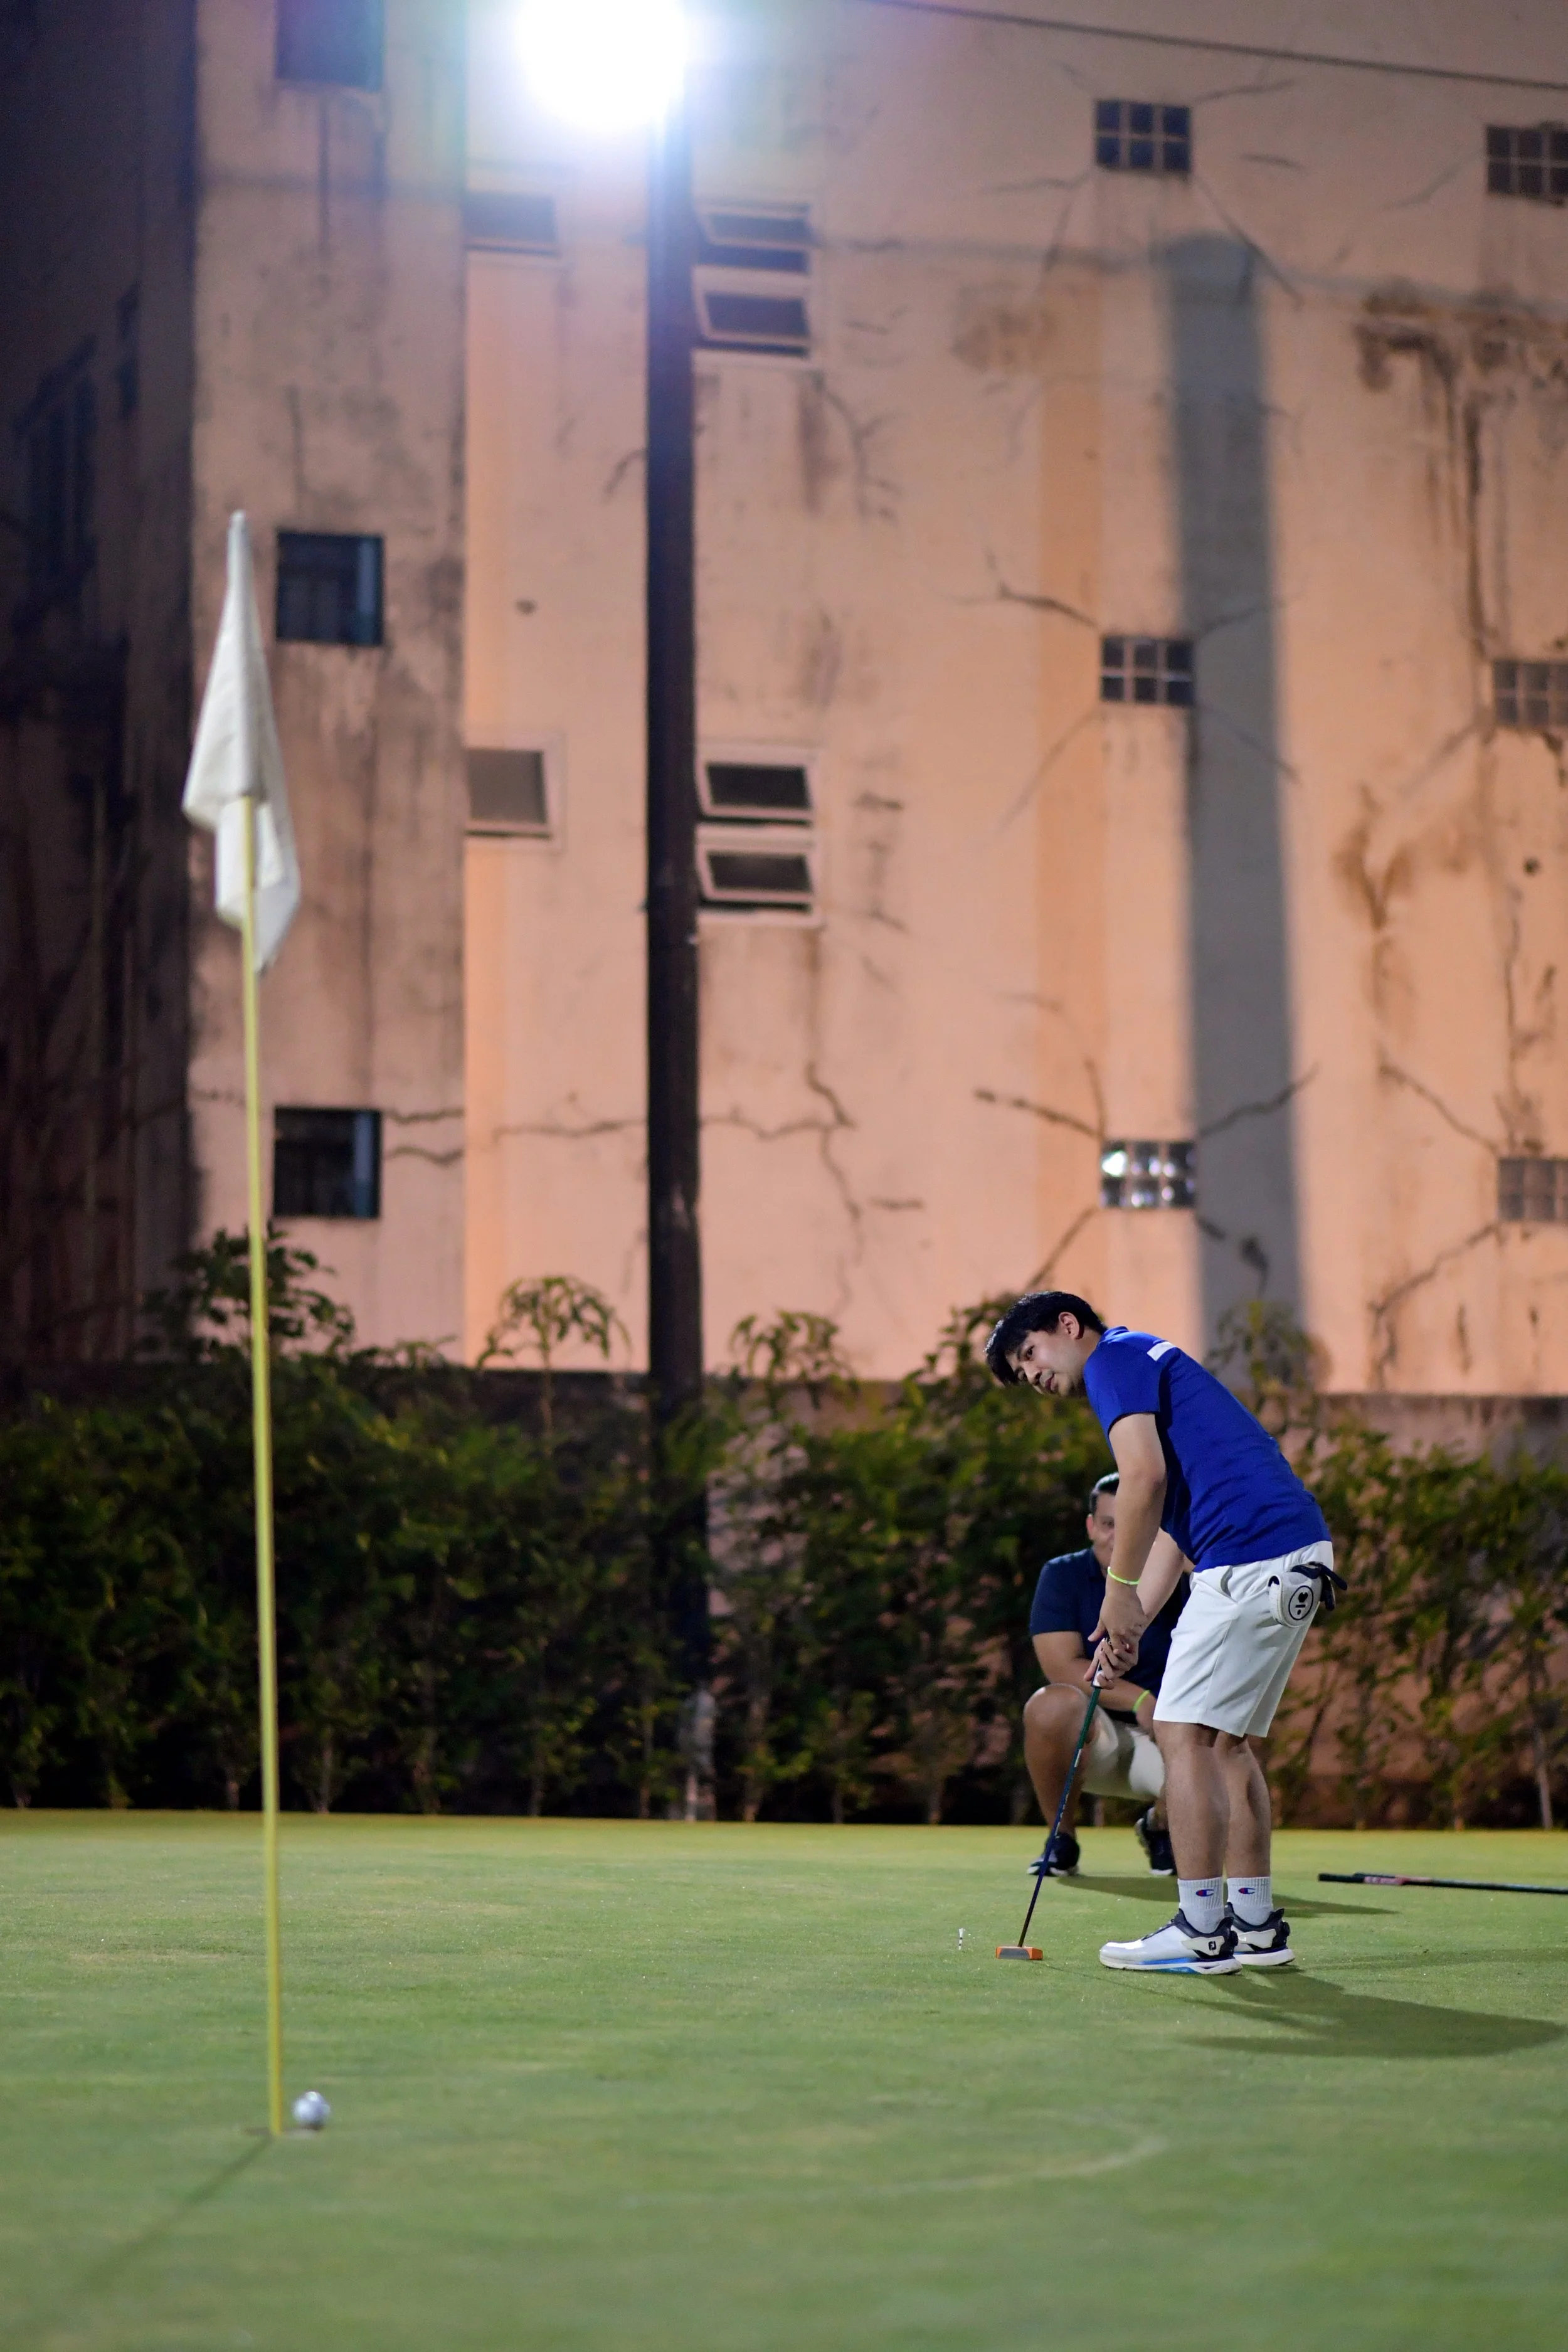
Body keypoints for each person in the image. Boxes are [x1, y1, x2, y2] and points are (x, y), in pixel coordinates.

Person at [987, 1290, 1343, 1976]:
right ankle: (1257, 1927)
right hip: (1293, 1556)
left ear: (1068, 1326)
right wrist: (1129, 1623)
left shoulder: (1110, 1361)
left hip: (1246, 1557)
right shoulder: (1146, 1361)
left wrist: (1117, 1594)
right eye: (1021, 1373)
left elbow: (1141, 1481)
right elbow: (1175, 1532)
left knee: (1183, 1736)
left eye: (1029, 1354)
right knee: (1225, 1744)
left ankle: (1201, 1931)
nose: (1032, 1375)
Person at [1024, 1471, 1184, 1878]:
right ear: (1092, 1526)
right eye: (1110, 1524)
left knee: (1229, 1738)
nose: (1119, 1536)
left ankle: (1160, 1827)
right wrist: (1140, 1700)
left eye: (1132, 1523)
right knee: (1050, 1707)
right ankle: (1061, 1839)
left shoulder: (1177, 1578)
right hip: (1094, 1739)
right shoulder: (1062, 1575)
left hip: (1166, 1738)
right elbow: (1061, 1666)